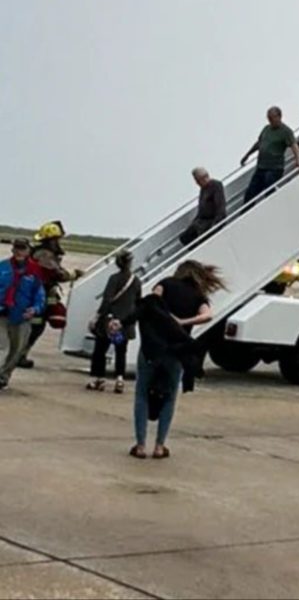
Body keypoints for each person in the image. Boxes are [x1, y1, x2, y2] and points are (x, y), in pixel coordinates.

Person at [119, 260, 226, 459]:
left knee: (142, 393)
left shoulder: (165, 284)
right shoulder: (198, 296)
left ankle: (141, 445)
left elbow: (151, 302)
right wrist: (183, 322)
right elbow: (207, 316)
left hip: (153, 348)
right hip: (177, 351)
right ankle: (160, 446)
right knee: (170, 396)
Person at [20, 221, 81, 368]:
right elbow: (54, 273)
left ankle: (20, 354)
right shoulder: (45, 254)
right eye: (57, 239)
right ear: (51, 239)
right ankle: (19, 355)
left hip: (41, 294)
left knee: (38, 325)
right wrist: (73, 275)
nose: (59, 242)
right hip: (37, 295)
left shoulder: (46, 253)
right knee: (34, 326)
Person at [87, 250, 141, 393]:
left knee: (100, 351)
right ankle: (119, 380)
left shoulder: (114, 279)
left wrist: (97, 317)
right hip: (124, 324)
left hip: (109, 323)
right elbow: (137, 301)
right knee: (120, 351)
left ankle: (99, 379)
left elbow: (107, 300)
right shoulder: (136, 280)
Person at [0, 238, 45, 391]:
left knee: (16, 350)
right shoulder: (3, 267)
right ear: (12, 250)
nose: (19, 251)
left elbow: (39, 294)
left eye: (22, 248)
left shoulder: (35, 271)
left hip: (22, 316)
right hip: (2, 313)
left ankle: (4, 377)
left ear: (28, 251)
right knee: (2, 347)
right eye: (16, 248)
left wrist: (35, 308)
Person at [241, 106, 299, 204]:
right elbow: (259, 143)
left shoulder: (285, 131)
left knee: (269, 185)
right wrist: (247, 155)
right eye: (268, 118)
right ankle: (245, 213)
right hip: (261, 167)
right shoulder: (266, 129)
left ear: (279, 116)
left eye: (272, 118)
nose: (270, 120)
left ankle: (273, 204)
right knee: (250, 193)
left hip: (274, 168)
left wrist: (298, 160)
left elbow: (294, 146)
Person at [178, 168, 226, 246]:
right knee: (184, 237)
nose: (197, 183)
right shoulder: (203, 190)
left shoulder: (215, 185)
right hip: (202, 221)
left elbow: (220, 207)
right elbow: (201, 211)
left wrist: (215, 225)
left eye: (197, 180)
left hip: (210, 221)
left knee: (198, 233)